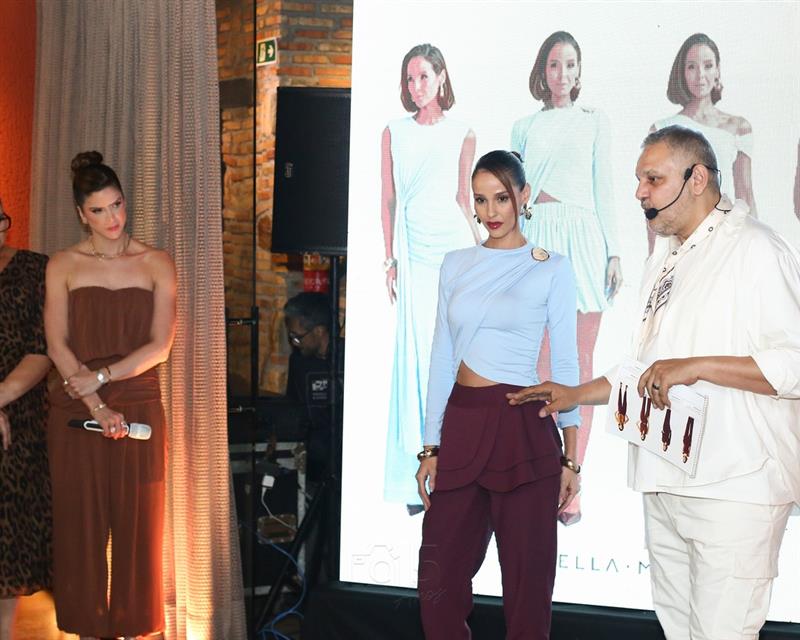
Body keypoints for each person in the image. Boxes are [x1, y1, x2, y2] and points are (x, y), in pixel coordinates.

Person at [510, 126, 800, 640]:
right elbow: (647, 369)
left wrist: (696, 366)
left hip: (736, 486)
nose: (639, 192)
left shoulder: (756, 248)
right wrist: (576, 394)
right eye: (639, 180)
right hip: (664, 477)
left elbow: (793, 364)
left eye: (653, 179)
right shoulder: (664, 256)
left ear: (697, 179)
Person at [415, 150, 581, 639]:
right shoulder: (455, 264)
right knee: (437, 581)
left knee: (528, 590)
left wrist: (571, 460)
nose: (491, 211)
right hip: (462, 424)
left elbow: (566, 367)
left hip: (523, 428)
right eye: (481, 199)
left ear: (523, 197)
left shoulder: (552, 268)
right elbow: (441, 358)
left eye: (502, 198)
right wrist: (430, 447)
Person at [44, 151, 176, 639]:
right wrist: (96, 404)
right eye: (98, 210)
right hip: (76, 408)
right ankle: (86, 631)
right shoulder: (63, 264)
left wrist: (102, 378)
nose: (112, 218)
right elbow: (57, 344)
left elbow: (161, 346)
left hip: (138, 403)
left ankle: (134, 630)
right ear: (81, 214)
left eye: (116, 204)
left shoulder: (157, 262)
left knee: (139, 530)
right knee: (80, 528)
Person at [510, 30, 622, 524]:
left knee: (579, 367)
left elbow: (604, 188)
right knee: (538, 366)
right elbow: (515, 197)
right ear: (543, 70)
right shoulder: (523, 126)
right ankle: (541, 477)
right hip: (538, 238)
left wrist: (614, 252)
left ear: (579, 71)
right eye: (554, 64)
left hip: (583, 238)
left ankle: (573, 483)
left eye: (570, 64)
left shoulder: (595, 121)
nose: (562, 73)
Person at [381, 43, 480, 509]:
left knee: (453, 359)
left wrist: (484, 256)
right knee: (419, 359)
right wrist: (389, 260)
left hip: (454, 253)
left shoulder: (463, 132)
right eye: (410, 78)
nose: (416, 86)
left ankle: (456, 467)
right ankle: (416, 477)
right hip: (414, 256)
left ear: (441, 77)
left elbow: (464, 198)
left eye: (424, 76)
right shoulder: (394, 132)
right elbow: (388, 200)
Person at [648, 33, 757, 253]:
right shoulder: (662, 128)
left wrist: (754, 249)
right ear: (682, 72)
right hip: (679, 241)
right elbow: (653, 200)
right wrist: (654, 256)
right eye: (692, 67)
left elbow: (745, 194)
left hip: (723, 239)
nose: (700, 75)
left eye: (707, 66)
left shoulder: (738, 127)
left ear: (718, 70)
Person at [0, 198, 52, 640]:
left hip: (20, 417)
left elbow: (43, 348)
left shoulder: (36, 268)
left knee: (9, 545)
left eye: (1, 217)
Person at [283, 291, 343, 482]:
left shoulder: (348, 357)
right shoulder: (298, 362)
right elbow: (293, 408)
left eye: (298, 337)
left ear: (319, 331)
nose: (294, 343)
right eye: (291, 337)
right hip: (313, 464)